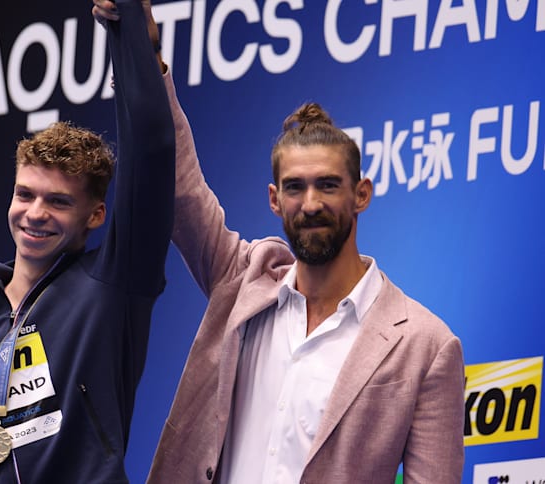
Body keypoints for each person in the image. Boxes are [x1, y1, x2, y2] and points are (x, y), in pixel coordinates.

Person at [92, 2, 465, 483]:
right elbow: (179, 182)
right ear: (274, 199)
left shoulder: (425, 344)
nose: (310, 203)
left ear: (362, 194)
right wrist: (146, 54)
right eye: (295, 187)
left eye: (328, 185)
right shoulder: (243, 280)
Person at [0, 2, 175, 482]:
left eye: (58, 202)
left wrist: (129, 33)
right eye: (25, 194)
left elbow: (153, 149)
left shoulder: (111, 285)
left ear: (95, 214)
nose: (35, 213)